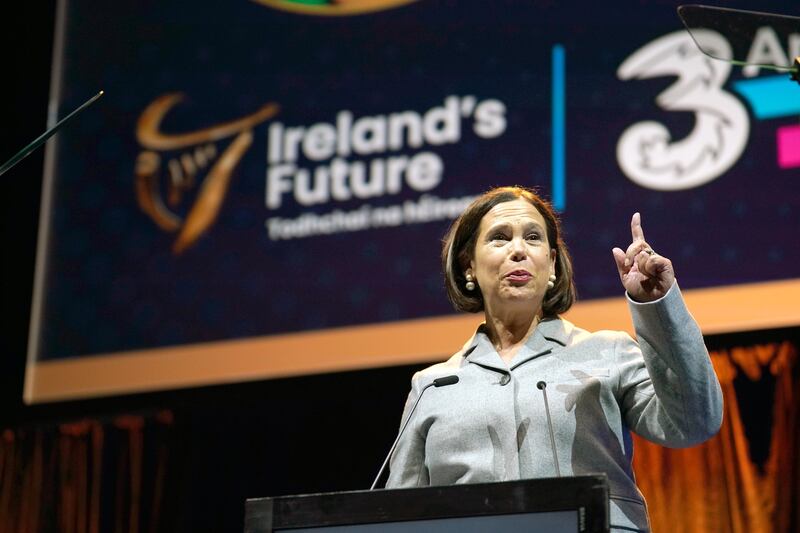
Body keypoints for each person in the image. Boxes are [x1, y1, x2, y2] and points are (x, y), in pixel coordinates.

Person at [385, 186, 723, 533]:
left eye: (533, 238)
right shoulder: (433, 386)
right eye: (500, 238)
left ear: (552, 266)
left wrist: (658, 304)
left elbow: (694, 422)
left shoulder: (608, 353)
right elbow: (397, 516)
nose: (518, 250)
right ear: (469, 266)